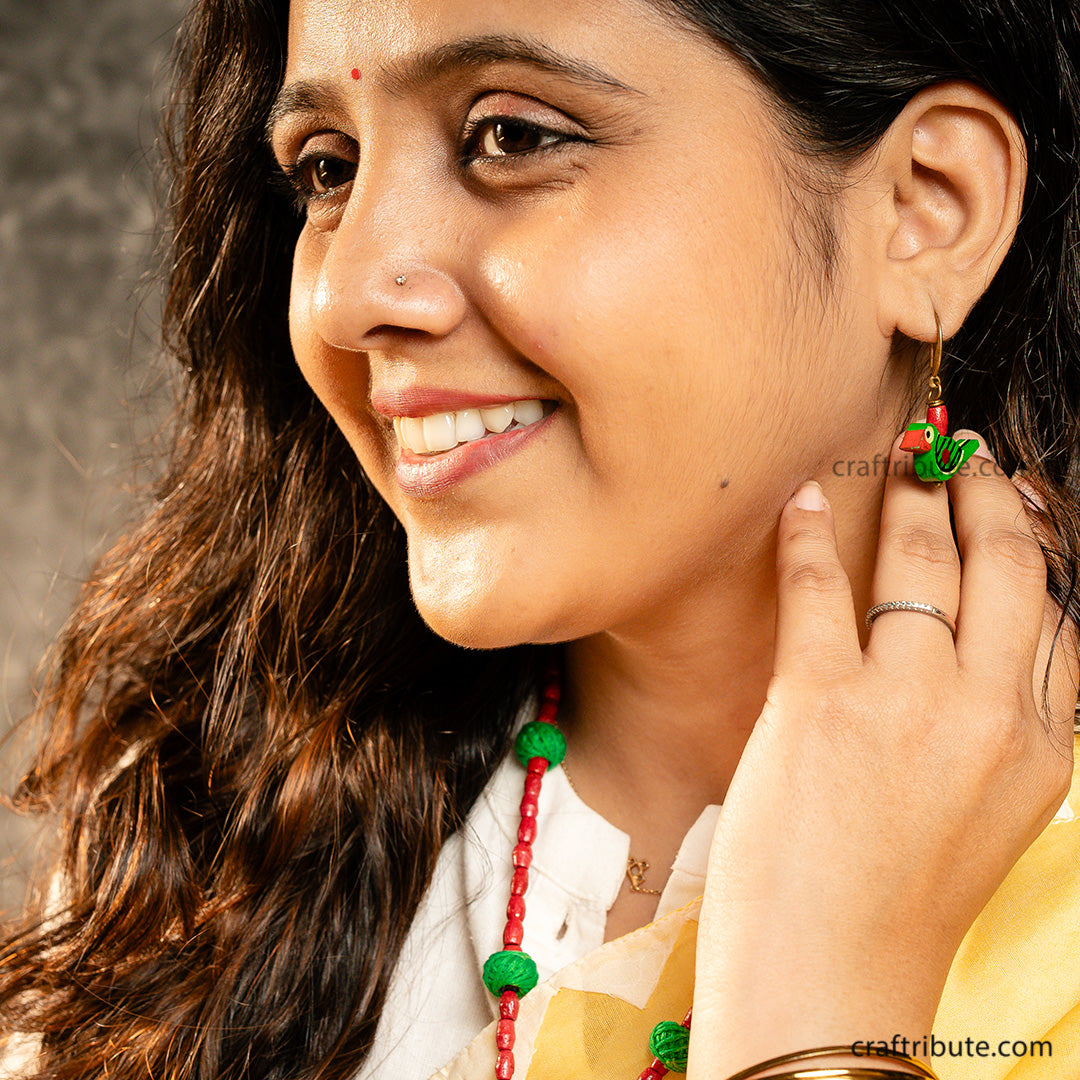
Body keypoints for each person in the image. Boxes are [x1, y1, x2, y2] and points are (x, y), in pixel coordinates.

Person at [2, 0, 1079, 1078]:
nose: (347, 293)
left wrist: (823, 1015)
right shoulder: (205, 850)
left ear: (927, 207)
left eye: (510, 136)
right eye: (329, 169)